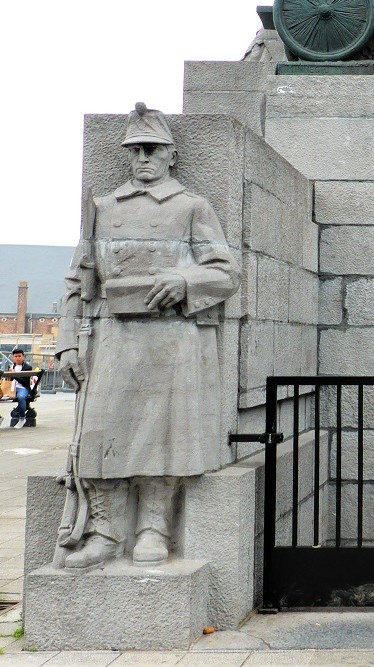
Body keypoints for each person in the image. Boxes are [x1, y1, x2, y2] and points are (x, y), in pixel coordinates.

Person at [55, 103, 240, 572]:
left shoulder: (191, 207)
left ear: (171, 155)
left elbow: (225, 271)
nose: (143, 157)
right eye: (136, 149)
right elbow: (77, 281)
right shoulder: (102, 209)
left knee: (162, 436)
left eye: (153, 149)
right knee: (100, 433)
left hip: (171, 338)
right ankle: (103, 532)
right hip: (112, 337)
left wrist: (184, 282)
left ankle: (153, 529)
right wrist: (67, 343)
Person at [6, 348, 34, 428]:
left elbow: (25, 381)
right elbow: (9, 380)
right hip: (12, 388)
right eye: (16, 356)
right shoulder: (11, 366)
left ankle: (22, 418)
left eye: (19, 356)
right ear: (13, 357)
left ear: (23, 356)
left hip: (22, 388)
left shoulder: (28, 367)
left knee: (21, 397)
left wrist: (14, 374)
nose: (18, 358)